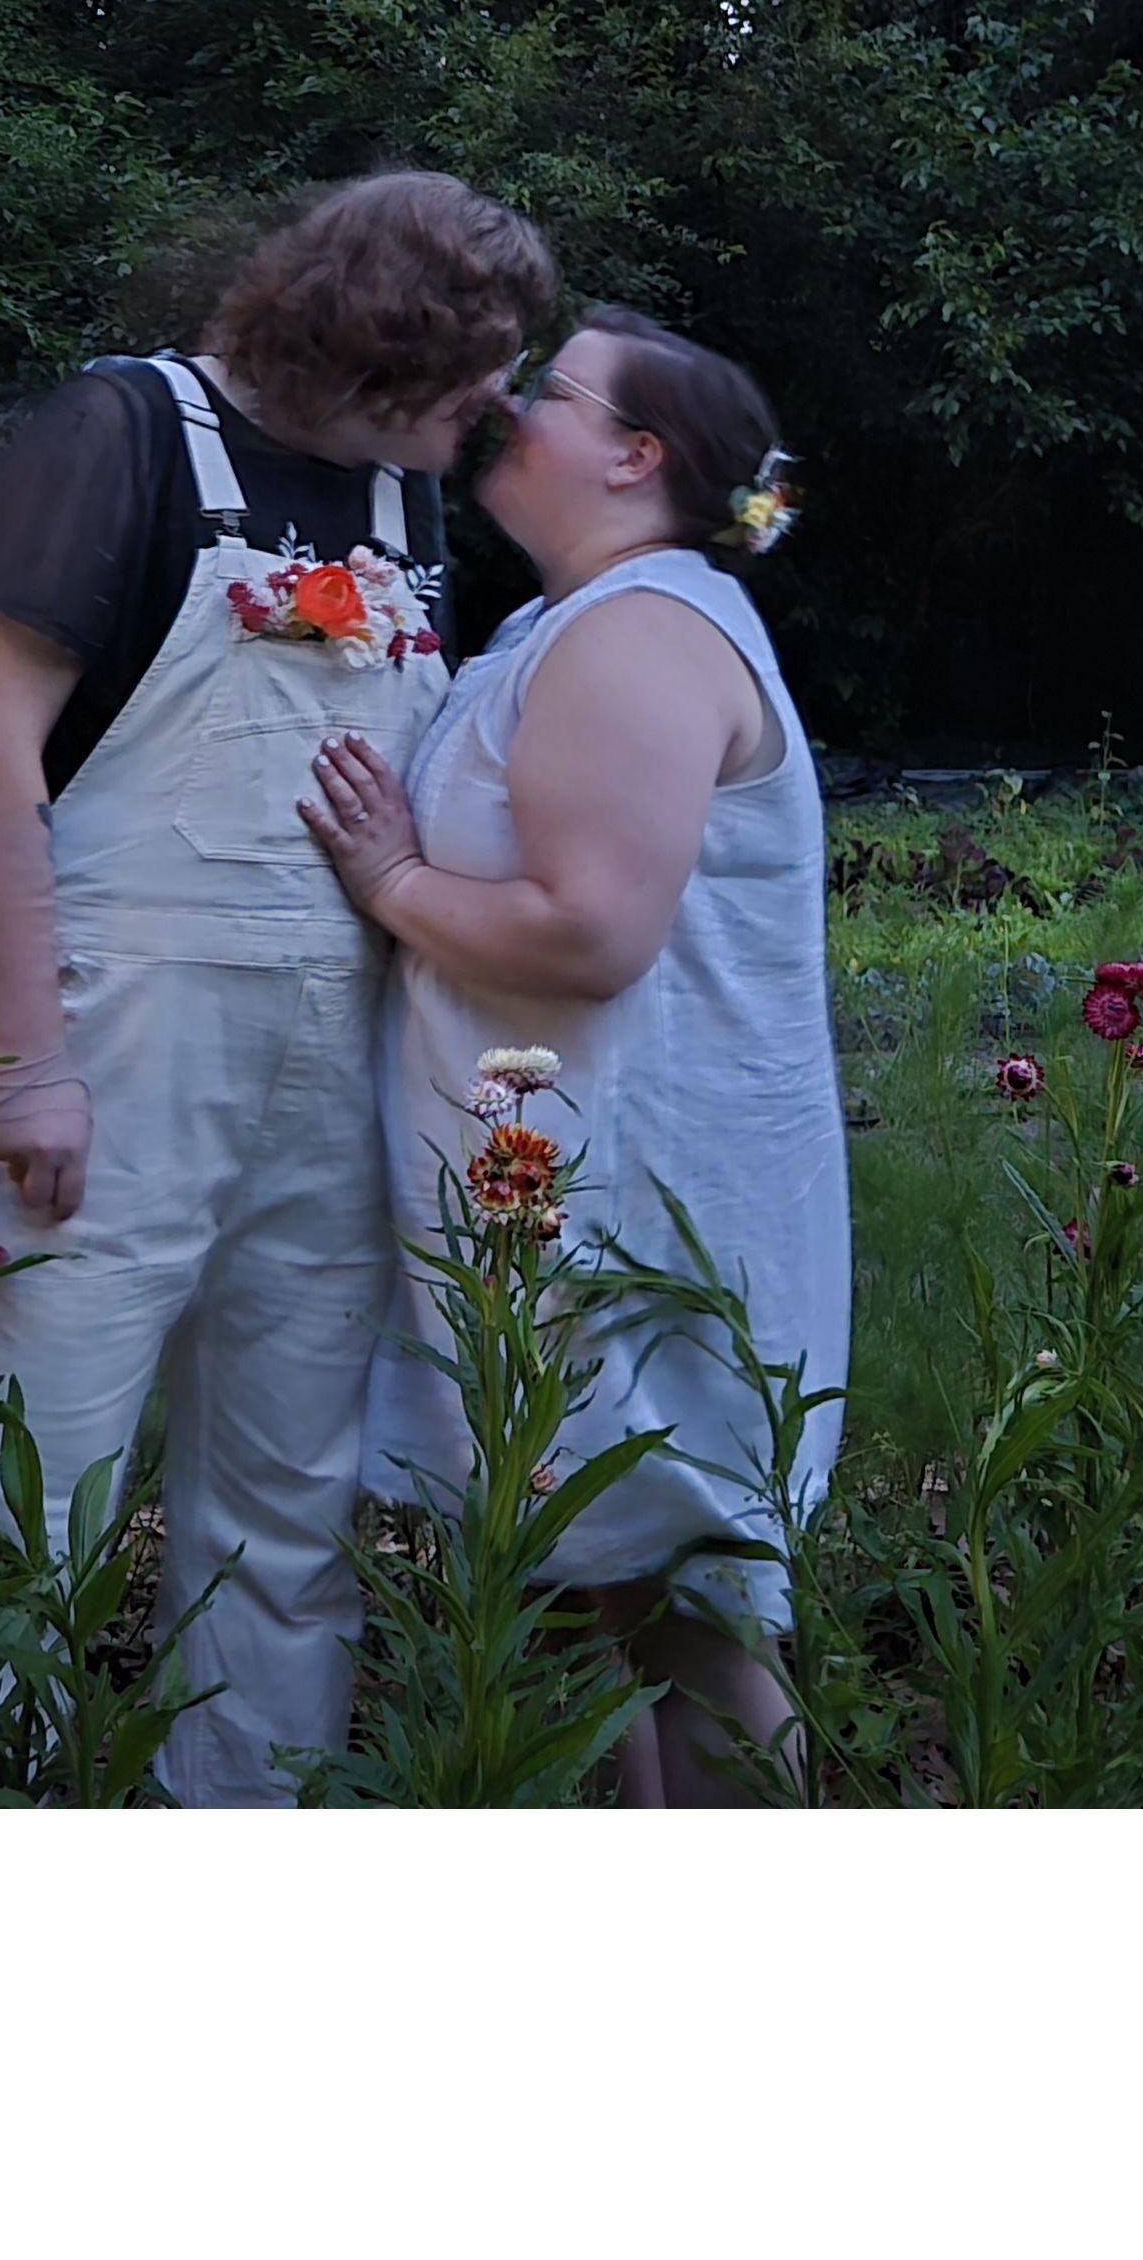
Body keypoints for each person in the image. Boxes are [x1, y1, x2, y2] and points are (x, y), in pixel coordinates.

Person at [0, 170, 559, 1805]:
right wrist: (27, 1065)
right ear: (382, 340)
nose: (501, 409)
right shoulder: (123, 432)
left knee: (290, 1511)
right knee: (2, 1480)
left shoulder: (413, 504)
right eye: (481, 365)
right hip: (103, 1046)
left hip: (338, 1067)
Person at [298, 305, 844, 1805]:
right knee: (619, 1596)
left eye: (553, 389)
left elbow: (593, 932)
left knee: (681, 1606)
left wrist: (394, 884)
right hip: (582, 1194)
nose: (513, 404)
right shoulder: (582, 622)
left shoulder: (644, 632)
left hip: (640, 1206)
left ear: (634, 456)